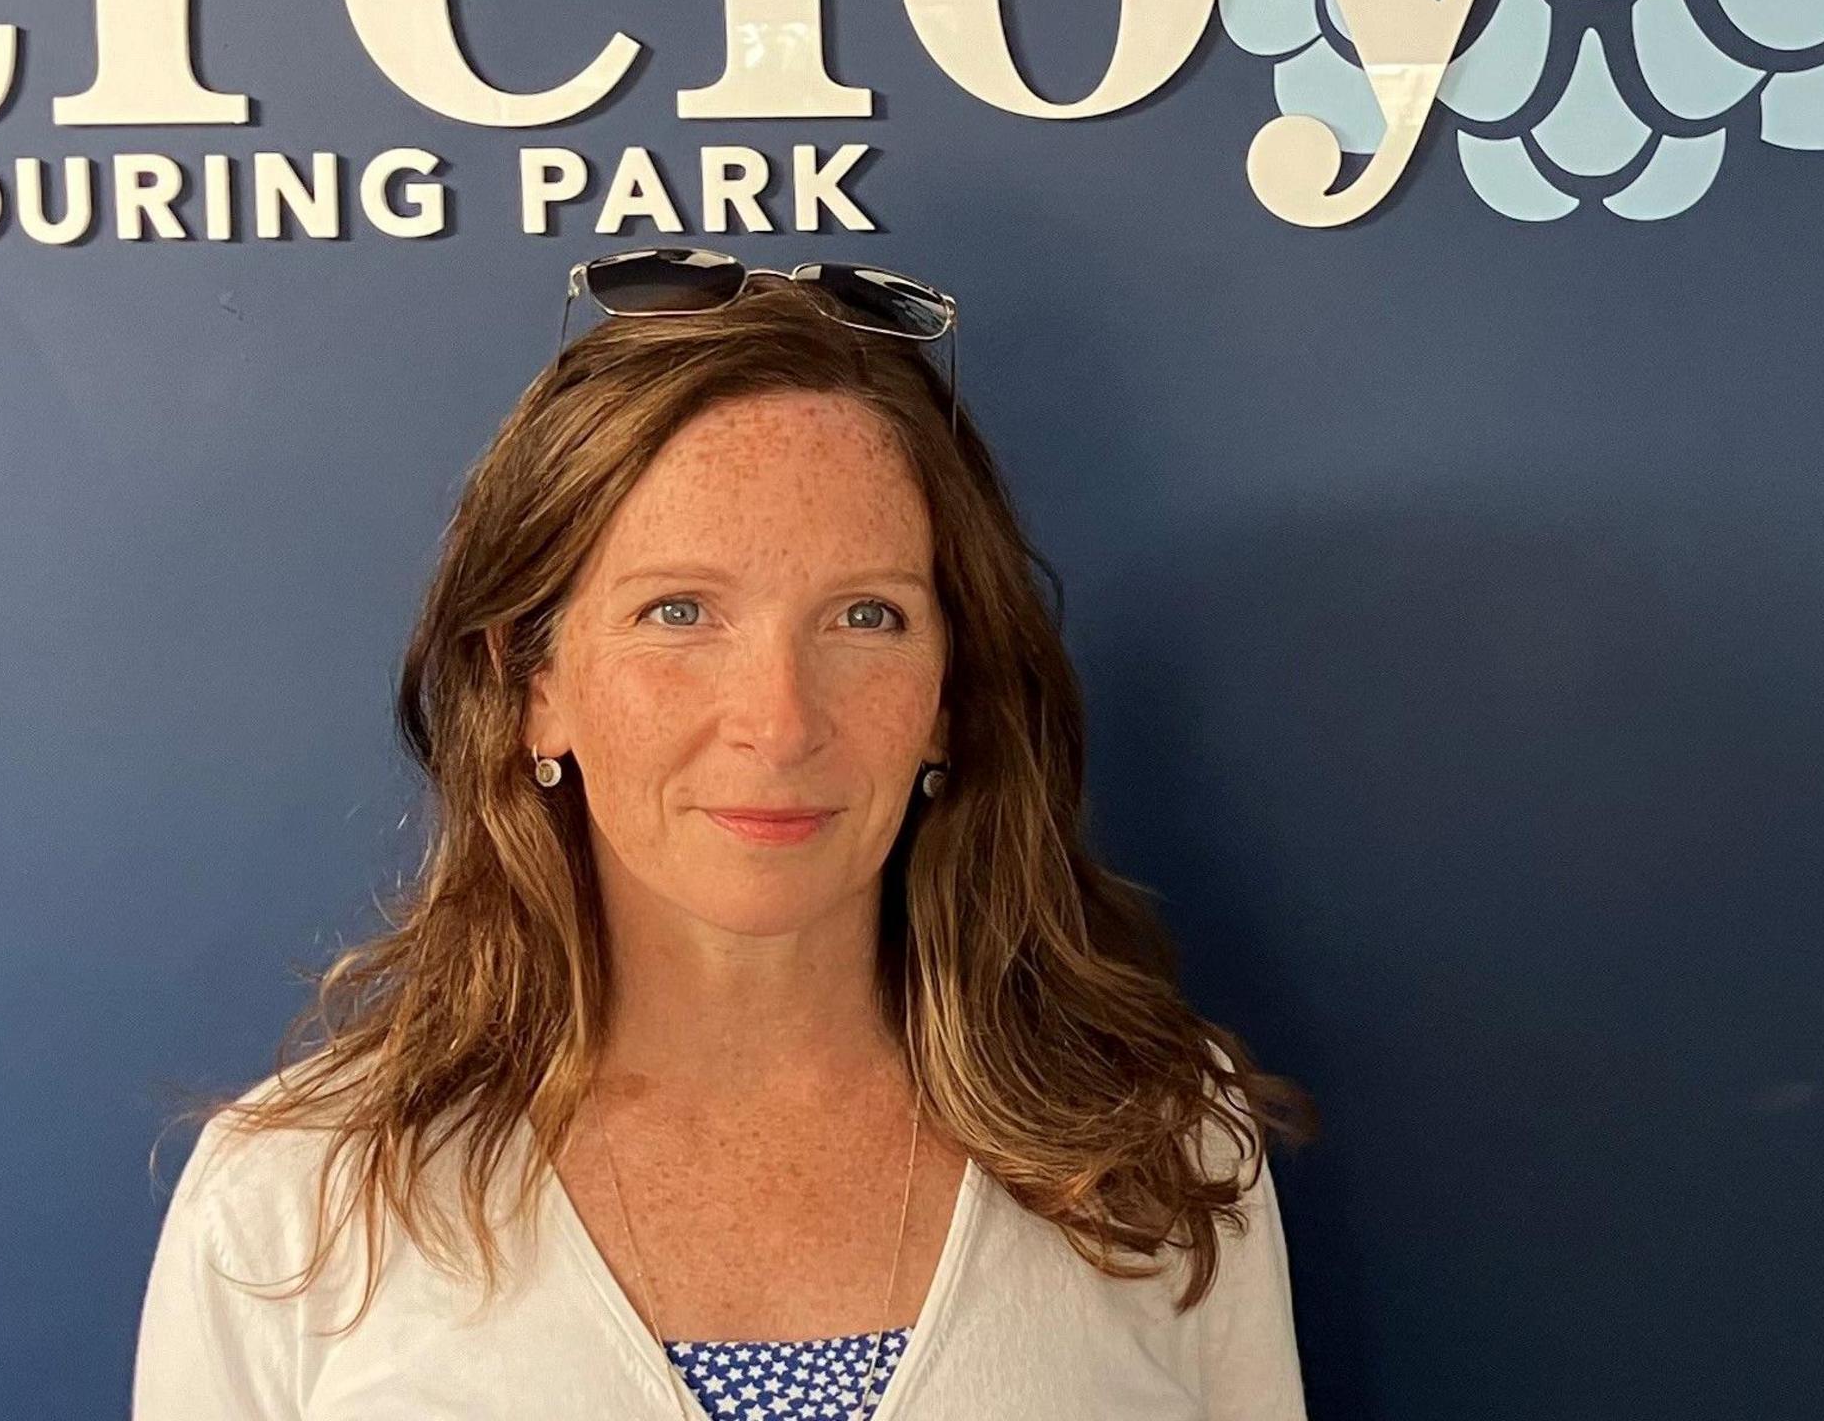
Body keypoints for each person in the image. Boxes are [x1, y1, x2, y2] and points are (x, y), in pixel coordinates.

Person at [134, 250, 1312, 1419]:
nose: (780, 721)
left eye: (867, 615)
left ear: (949, 692)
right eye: (679, 611)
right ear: (534, 681)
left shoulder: (1159, 1150)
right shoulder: (293, 1202)